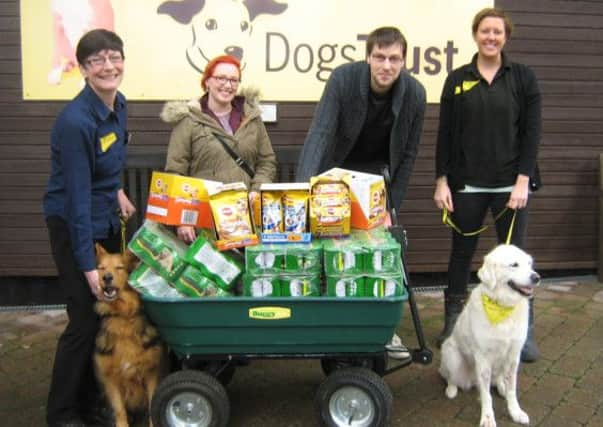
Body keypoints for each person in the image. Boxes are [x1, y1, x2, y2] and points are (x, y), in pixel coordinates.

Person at [296, 27, 426, 360]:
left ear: (403, 61)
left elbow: (409, 154)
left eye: (394, 58)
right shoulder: (343, 79)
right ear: (368, 57)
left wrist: (391, 205)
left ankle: (381, 328)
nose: (386, 65)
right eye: (380, 57)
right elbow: (321, 131)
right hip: (336, 173)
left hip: (376, 181)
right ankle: (327, 323)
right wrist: (303, 191)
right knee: (330, 247)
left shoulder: (415, 93)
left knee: (380, 255)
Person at [433, 7, 541, 362]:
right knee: (461, 255)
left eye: (497, 32)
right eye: (485, 31)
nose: (491, 37)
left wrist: (523, 180)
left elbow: (531, 133)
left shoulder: (522, 78)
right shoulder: (458, 78)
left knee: (516, 259)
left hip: (511, 186)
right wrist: (442, 180)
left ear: (506, 36)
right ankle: (453, 322)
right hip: (466, 185)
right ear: (475, 34)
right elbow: (445, 134)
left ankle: (523, 335)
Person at [43, 29, 135, 427]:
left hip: (102, 216)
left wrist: (116, 192)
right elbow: (76, 198)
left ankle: (91, 401)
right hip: (74, 225)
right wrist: (86, 266)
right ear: (82, 70)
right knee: (83, 319)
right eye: (96, 60)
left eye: (113, 56)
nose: (107, 66)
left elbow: (107, 159)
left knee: (104, 317)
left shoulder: (118, 105)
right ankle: (62, 412)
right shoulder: (75, 122)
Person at [161, 54, 277, 244]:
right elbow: (176, 171)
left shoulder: (252, 117)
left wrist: (256, 191)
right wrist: (183, 219)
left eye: (233, 80)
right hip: (204, 219)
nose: (228, 85)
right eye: (221, 78)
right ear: (207, 81)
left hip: (244, 218)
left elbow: (267, 161)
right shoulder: (189, 120)